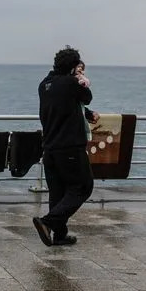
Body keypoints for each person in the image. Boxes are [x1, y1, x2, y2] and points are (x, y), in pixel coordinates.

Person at [32, 46, 94, 247]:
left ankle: (59, 235)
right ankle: (47, 222)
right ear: (73, 66)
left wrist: (87, 114)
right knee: (83, 187)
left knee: (57, 193)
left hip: (50, 148)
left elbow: (62, 107)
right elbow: (87, 97)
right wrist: (80, 79)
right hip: (70, 147)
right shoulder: (70, 83)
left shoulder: (44, 84)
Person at [75, 60, 99, 140]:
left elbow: (86, 100)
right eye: (78, 67)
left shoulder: (81, 81)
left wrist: (89, 113)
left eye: (81, 68)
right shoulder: (70, 83)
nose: (79, 69)